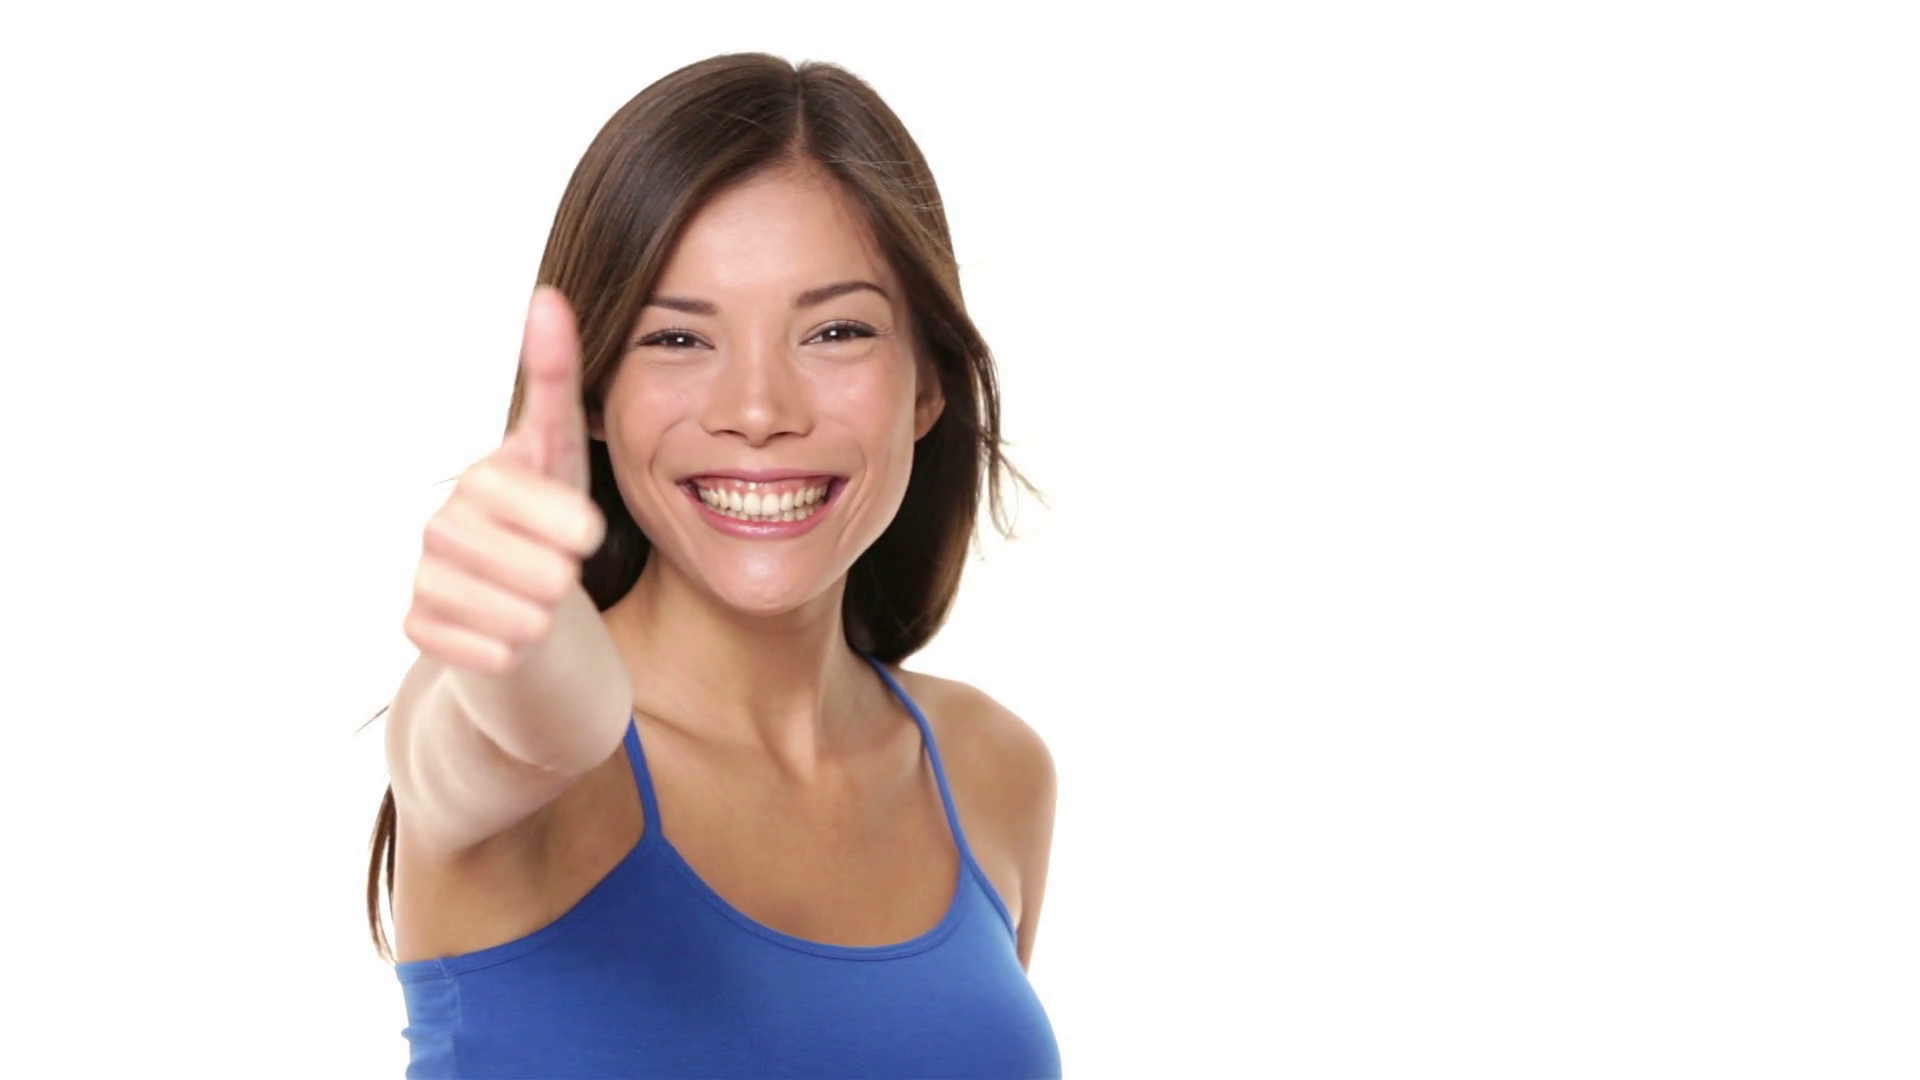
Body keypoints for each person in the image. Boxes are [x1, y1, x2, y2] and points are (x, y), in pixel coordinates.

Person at [365, 53, 1062, 1078]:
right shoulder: (534, 765)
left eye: (836, 330)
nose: (760, 411)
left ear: (927, 390)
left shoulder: (991, 769)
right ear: (597, 394)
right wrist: (522, 648)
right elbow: (503, 733)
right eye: (679, 338)